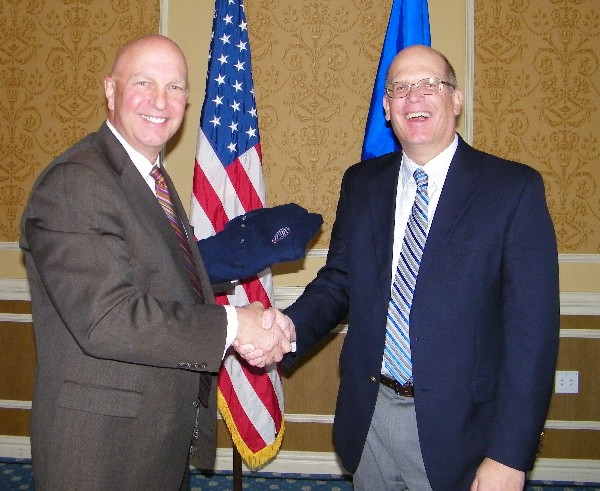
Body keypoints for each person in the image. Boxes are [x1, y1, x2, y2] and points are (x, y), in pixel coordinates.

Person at [273, 45, 560, 490]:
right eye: (401, 88)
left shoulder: (512, 190)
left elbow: (532, 336)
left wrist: (509, 454)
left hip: (463, 431)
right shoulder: (362, 183)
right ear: (387, 108)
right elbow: (341, 281)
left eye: (430, 85)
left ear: (456, 99)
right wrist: (287, 327)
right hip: (370, 416)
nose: (414, 97)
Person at [19, 34, 290, 490]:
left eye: (176, 87)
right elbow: (107, 318)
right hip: (99, 453)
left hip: (152, 440)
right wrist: (235, 327)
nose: (160, 101)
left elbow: (162, 280)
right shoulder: (76, 182)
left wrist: (253, 315)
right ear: (110, 90)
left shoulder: (152, 179)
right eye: (143, 82)